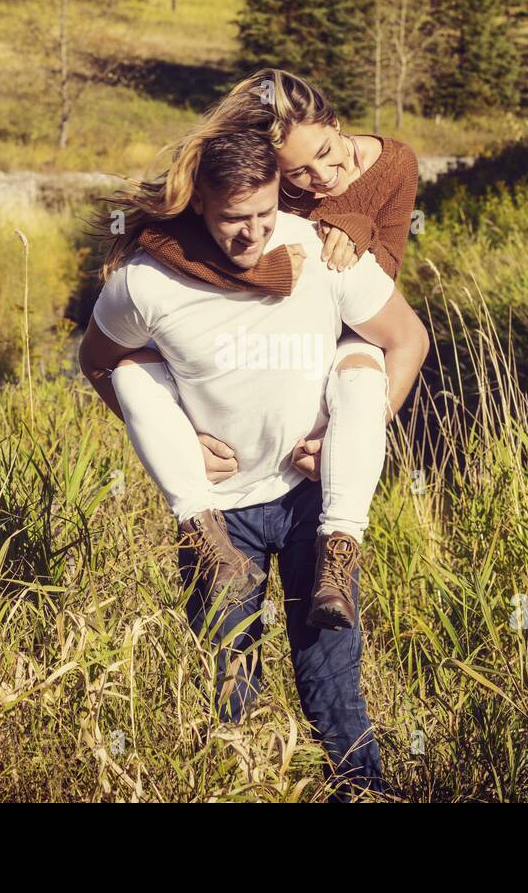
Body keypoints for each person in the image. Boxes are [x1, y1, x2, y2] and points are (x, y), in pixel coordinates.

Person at [79, 128, 429, 800]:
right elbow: (96, 361)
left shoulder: (319, 253)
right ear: (200, 207)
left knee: (331, 683)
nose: (252, 235)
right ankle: (234, 789)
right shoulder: (148, 281)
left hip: (309, 503)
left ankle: (365, 793)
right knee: (229, 683)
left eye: (265, 215)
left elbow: (406, 338)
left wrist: (357, 435)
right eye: (234, 220)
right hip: (222, 513)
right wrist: (174, 440)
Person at [109, 68, 421, 630]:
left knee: (363, 368)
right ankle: (205, 535)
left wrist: (360, 430)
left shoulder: (395, 163)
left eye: (328, 152)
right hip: (287, 330)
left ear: (336, 122)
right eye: (297, 173)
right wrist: (271, 271)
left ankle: (341, 547)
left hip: (353, 319)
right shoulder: (258, 207)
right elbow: (239, 250)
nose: (323, 176)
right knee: (136, 370)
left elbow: (387, 275)